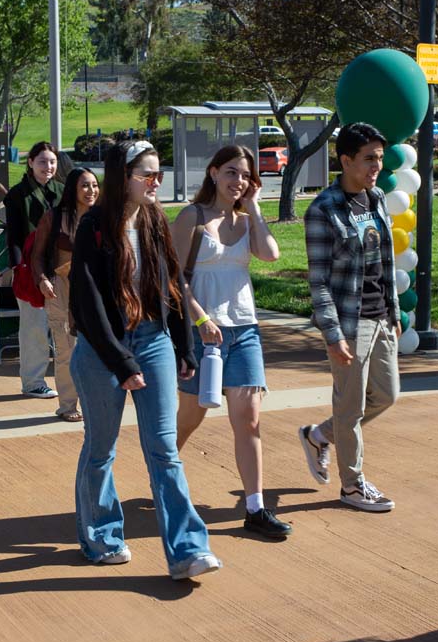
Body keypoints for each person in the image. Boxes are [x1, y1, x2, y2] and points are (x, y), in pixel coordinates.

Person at [68, 139, 222, 580]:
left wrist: (185, 345)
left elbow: (171, 284)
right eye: (148, 174)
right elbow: (87, 303)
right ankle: (102, 538)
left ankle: (188, 550)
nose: (157, 182)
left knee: (164, 450)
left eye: (160, 173)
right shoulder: (94, 225)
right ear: (124, 177)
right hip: (102, 350)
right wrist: (121, 361)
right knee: (101, 448)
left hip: (153, 339)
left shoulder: (154, 220)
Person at [171, 145, 290, 538]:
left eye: (244, 175)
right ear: (213, 173)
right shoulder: (192, 216)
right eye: (231, 172)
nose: (238, 181)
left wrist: (254, 207)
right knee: (190, 417)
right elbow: (174, 278)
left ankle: (255, 508)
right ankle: (163, 472)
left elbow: (270, 254)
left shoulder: (246, 219)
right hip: (201, 333)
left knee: (249, 420)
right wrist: (200, 318)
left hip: (244, 331)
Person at [298, 122, 401, 512]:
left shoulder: (376, 198)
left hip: (380, 316)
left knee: (387, 396)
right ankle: (352, 486)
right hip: (349, 322)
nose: (377, 166)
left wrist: (393, 309)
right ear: (345, 161)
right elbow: (319, 281)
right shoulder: (323, 210)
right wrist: (333, 334)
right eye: (369, 158)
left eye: (380, 158)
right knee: (351, 408)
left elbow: (385, 261)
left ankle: (318, 435)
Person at [30, 166, 99, 421]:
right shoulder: (55, 217)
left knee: (96, 350)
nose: (91, 190)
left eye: (94, 185)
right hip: (60, 288)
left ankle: (94, 402)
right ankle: (68, 405)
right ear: (72, 189)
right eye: (85, 185)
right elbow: (37, 256)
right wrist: (42, 280)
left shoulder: (102, 217)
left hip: (94, 290)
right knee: (66, 351)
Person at [4, 141, 62, 400]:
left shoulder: (62, 191)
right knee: (34, 326)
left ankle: (67, 380)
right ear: (30, 163)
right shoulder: (17, 195)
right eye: (42, 161)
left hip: (60, 266)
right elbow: (14, 236)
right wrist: (18, 268)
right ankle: (33, 381)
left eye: (52, 162)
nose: (47, 166)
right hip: (30, 268)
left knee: (64, 327)